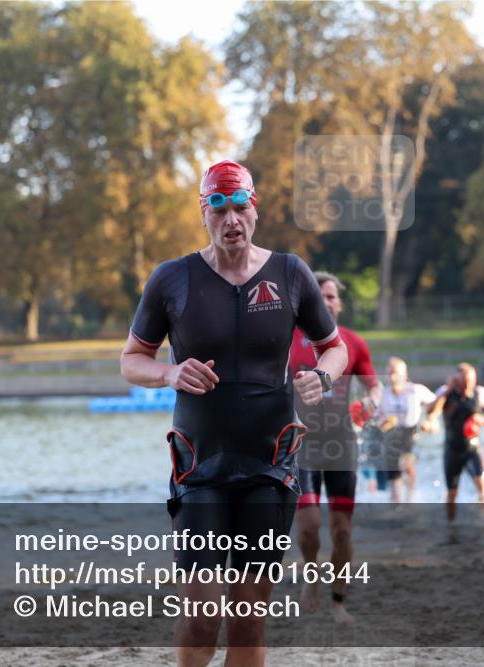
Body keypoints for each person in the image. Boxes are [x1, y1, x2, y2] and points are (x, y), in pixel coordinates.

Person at [120, 159, 348, 667]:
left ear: (254, 210)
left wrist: (323, 376)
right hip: (200, 467)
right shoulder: (172, 279)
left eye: (240, 207)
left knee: (247, 621)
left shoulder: (290, 273)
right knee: (201, 614)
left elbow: (334, 347)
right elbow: (131, 360)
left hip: (270, 466)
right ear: (203, 213)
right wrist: (169, 374)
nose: (232, 220)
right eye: (218, 208)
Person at [287, 271, 380, 624]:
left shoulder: (354, 343)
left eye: (330, 297)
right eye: (319, 296)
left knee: (342, 530)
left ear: (339, 304)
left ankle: (338, 601)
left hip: (341, 443)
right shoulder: (289, 340)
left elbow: (374, 387)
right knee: (309, 527)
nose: (325, 302)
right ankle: (311, 576)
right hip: (302, 443)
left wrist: (372, 402)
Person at [426, 363, 484, 521]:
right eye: (464, 382)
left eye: (471, 381)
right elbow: (431, 411)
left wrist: (483, 420)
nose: (468, 386)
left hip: (472, 448)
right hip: (452, 450)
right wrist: (447, 391)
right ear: (456, 380)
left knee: (482, 484)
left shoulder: (481, 394)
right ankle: (450, 523)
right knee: (452, 493)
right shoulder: (445, 393)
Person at [371, 357, 437, 502]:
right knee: (393, 476)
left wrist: (430, 419)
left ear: (404, 374)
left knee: (406, 464)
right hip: (391, 434)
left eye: (396, 373)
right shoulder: (383, 393)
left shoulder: (416, 390)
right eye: (389, 374)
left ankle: (412, 498)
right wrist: (380, 421)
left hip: (410, 433)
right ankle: (396, 505)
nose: (393, 377)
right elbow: (376, 416)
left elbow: (436, 403)